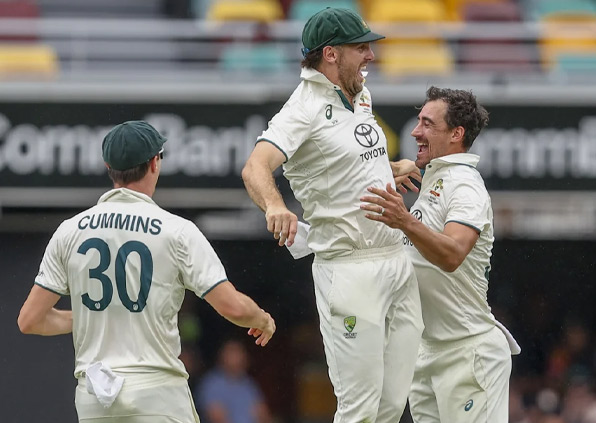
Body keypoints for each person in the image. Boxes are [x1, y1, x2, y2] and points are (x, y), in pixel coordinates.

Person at [18, 120, 276, 423]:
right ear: (155, 163)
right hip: (157, 394)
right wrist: (262, 318)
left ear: (107, 166)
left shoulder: (69, 231)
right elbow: (231, 306)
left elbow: (30, 320)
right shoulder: (177, 231)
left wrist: (97, 316)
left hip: (95, 397)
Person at [241, 7, 423, 423]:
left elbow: (346, 162)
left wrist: (390, 169)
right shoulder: (302, 108)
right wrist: (274, 206)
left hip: (396, 261)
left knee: (393, 406)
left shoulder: (359, 92)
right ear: (330, 54)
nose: (370, 56)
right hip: (349, 269)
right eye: (361, 47)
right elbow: (254, 168)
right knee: (359, 408)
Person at [361, 87, 518, 423]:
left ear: (456, 134)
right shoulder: (433, 180)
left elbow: (453, 254)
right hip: (426, 353)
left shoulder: (465, 185)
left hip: (468, 352)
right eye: (419, 122)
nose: (416, 131)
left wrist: (403, 220)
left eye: (428, 124)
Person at [196, 339, 272, 423]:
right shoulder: (212, 383)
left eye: (239, 352)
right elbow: (217, 418)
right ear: (222, 356)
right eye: (232, 352)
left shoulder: (249, 384)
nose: (238, 357)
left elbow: (263, 414)